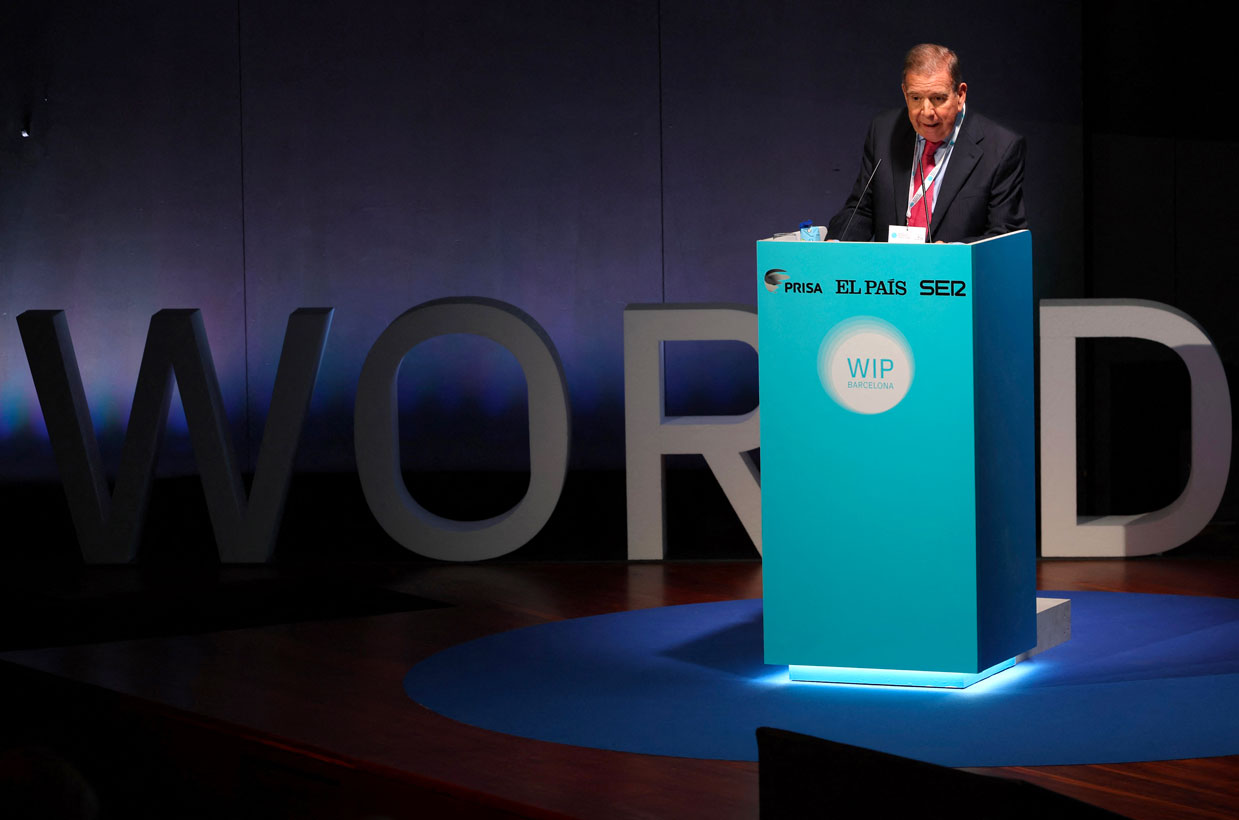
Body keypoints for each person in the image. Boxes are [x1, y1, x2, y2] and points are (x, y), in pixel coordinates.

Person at [826, 44, 1027, 243]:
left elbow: (1005, 236)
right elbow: (861, 209)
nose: (927, 112)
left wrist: (954, 254)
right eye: (916, 98)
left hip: (955, 273)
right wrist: (837, 243)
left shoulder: (1000, 148)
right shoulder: (884, 131)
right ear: (905, 93)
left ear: (960, 94)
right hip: (892, 273)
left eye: (938, 98)